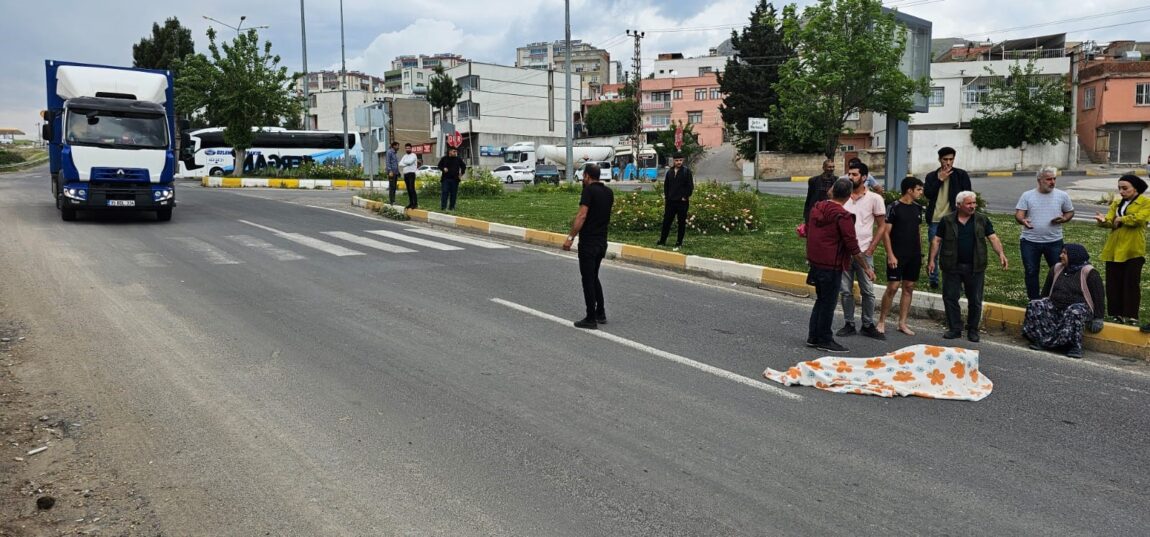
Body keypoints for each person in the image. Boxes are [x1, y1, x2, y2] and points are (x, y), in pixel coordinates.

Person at [927, 191, 1009, 342]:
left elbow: (993, 238)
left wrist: (1001, 254)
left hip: (975, 266)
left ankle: (973, 329)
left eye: (974, 203)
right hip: (952, 266)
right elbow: (936, 240)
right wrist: (931, 260)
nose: (973, 206)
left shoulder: (982, 219)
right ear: (959, 205)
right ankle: (955, 328)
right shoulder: (947, 220)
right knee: (950, 297)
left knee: (975, 300)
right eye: (969, 203)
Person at [806, 178, 874, 353]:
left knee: (821, 300)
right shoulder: (842, 216)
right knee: (828, 303)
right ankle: (824, 339)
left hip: (816, 263)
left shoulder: (816, 209)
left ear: (832, 191)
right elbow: (852, 246)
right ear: (849, 195)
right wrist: (866, 268)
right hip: (831, 265)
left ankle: (813, 336)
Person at [1022, 244, 1105, 359]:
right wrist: (1041, 303)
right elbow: (1046, 291)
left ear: (1074, 256)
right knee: (1035, 305)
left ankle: (1074, 346)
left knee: (1074, 312)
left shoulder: (1089, 273)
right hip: (1056, 305)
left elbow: (1099, 296)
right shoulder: (1056, 268)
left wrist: (1098, 318)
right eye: (1062, 252)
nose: (1061, 255)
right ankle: (1042, 340)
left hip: (1079, 308)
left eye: (1064, 253)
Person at [837, 161, 887, 340]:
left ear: (864, 177)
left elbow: (882, 226)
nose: (850, 177)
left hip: (864, 252)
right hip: (844, 252)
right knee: (845, 291)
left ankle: (867, 324)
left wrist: (872, 247)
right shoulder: (843, 198)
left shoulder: (875, 199)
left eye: (854, 174)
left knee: (868, 291)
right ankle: (849, 323)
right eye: (849, 174)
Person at [1093, 174, 1150, 329]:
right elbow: (1111, 222)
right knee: (1113, 282)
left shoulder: (1145, 202)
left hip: (1133, 249)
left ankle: (1131, 315)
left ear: (1135, 188)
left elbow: (1139, 219)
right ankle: (1116, 314)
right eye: (1119, 188)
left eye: (1125, 188)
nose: (1121, 191)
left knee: (1131, 283)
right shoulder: (1117, 203)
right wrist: (1103, 221)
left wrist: (1122, 219)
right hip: (1114, 248)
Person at [563, 164, 614, 329]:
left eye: (583, 176)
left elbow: (582, 215)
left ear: (586, 176)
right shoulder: (608, 192)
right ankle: (601, 312)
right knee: (594, 277)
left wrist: (570, 237)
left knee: (587, 280)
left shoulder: (589, 191)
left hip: (589, 243)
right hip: (601, 242)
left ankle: (590, 318)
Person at [1014, 166, 1075, 300]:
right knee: (1031, 271)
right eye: (1048, 179)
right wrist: (1023, 220)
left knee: (1058, 271)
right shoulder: (1027, 195)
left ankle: (1056, 299)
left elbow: (1070, 211)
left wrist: (1064, 218)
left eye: (1054, 179)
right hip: (1030, 242)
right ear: (1039, 180)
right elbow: (1019, 214)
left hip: (1054, 241)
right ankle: (1034, 301)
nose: (1052, 182)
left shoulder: (1062, 195)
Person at [877, 176, 925, 336]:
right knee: (893, 287)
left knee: (909, 287)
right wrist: (890, 255)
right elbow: (885, 233)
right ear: (909, 190)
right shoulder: (894, 207)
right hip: (897, 254)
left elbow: (917, 232)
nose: (921, 192)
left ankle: (902, 323)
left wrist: (920, 252)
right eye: (918, 189)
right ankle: (881, 320)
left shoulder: (918, 208)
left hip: (914, 255)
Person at [923, 147, 972, 289]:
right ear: (939, 160)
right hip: (935, 220)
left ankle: (957, 279)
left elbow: (967, 196)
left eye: (951, 159)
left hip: (954, 220)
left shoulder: (961, 175)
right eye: (945, 159)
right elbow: (928, 194)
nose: (948, 162)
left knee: (956, 251)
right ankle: (934, 279)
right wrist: (940, 180)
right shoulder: (931, 176)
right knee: (934, 250)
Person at [656, 152, 694, 250]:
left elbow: (690, 186)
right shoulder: (670, 172)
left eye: (680, 160)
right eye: (677, 160)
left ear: (683, 160)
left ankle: (679, 242)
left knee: (681, 223)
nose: (678, 162)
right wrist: (667, 197)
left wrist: (685, 196)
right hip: (671, 202)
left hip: (682, 202)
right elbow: (666, 186)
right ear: (673, 161)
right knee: (666, 222)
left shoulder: (686, 172)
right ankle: (662, 240)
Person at [802, 159, 837, 225]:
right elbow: (809, 198)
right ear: (823, 168)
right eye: (829, 167)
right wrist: (806, 214)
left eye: (833, 167)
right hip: (816, 211)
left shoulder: (837, 180)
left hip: (830, 212)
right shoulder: (814, 180)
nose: (831, 169)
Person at [399, 143, 419, 209]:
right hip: (406, 174)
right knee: (408, 189)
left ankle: (415, 204)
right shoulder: (404, 156)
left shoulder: (414, 155)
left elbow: (410, 162)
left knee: (411, 188)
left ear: (411, 148)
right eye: (406, 148)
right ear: (405, 149)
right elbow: (400, 164)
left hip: (411, 174)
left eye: (409, 148)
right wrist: (406, 163)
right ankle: (410, 203)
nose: (408, 149)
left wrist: (404, 163)